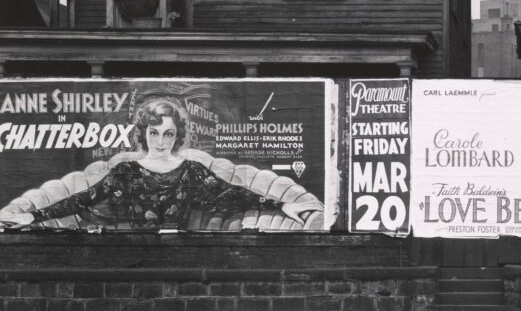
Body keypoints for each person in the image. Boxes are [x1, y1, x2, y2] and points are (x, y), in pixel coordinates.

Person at [0, 97, 319, 231]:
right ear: (144, 133)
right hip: (130, 254)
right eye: (154, 132)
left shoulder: (192, 172)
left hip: (181, 254)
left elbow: (235, 193)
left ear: (177, 135)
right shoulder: (125, 172)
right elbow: (81, 199)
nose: (161, 140)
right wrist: (33, 214)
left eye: (168, 133)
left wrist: (283, 206)